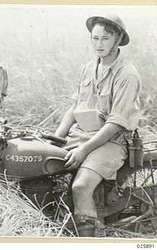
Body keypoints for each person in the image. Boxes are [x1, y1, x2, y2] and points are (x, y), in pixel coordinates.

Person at [54, 14, 141, 237]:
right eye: (95, 38)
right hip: (82, 134)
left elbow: (116, 123)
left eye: (105, 39)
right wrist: (55, 139)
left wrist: (83, 150)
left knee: (80, 187)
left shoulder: (127, 74)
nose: (99, 44)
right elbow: (75, 107)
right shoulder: (88, 68)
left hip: (111, 140)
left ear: (118, 39)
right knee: (43, 165)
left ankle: (90, 238)